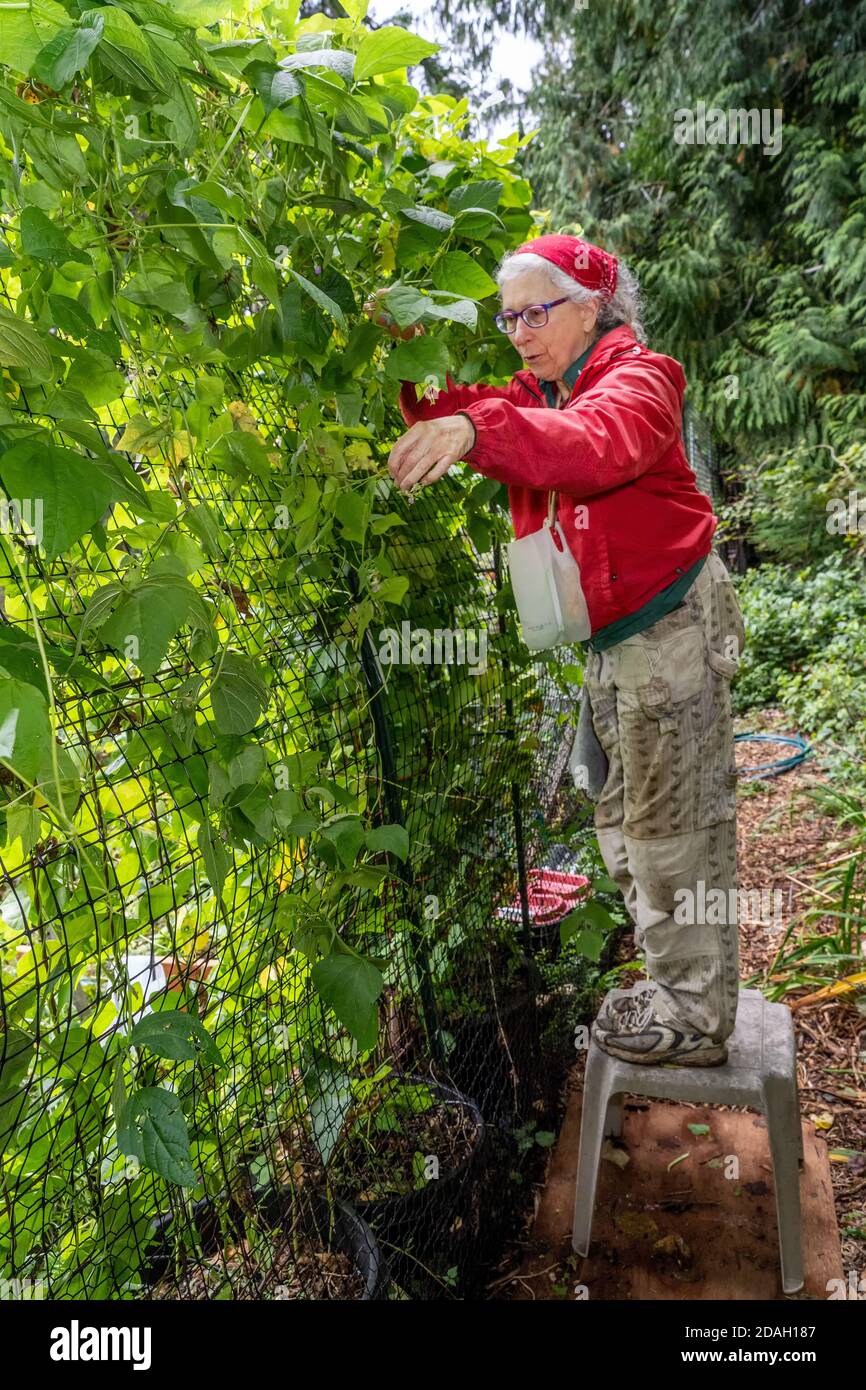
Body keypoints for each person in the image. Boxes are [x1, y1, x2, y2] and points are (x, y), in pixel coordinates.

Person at [364, 233, 746, 1067]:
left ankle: (696, 1017)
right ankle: (673, 984)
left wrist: (478, 428)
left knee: (674, 826)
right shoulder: (551, 386)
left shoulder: (641, 378)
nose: (520, 333)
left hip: (671, 627)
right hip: (621, 640)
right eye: (509, 320)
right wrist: (410, 356)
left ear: (589, 308)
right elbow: (461, 410)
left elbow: (589, 446)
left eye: (535, 313)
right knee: (621, 816)